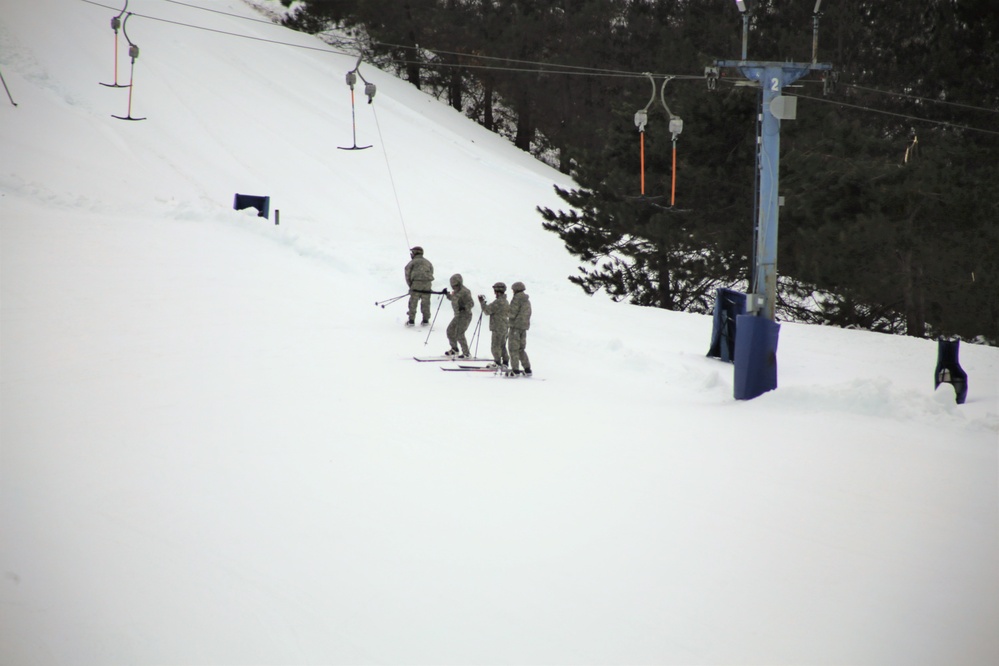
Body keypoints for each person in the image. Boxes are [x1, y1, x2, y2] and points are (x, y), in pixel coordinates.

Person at [477, 282, 510, 368]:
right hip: (504, 326)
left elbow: (487, 311)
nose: (494, 292)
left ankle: (497, 363)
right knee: (502, 345)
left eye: (495, 290)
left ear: (498, 291)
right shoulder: (505, 301)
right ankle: (505, 362)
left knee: (495, 346)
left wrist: (482, 303)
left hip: (498, 327)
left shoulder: (498, 302)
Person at [444, 273, 475, 358]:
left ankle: (466, 353)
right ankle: (454, 349)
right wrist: (447, 294)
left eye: (456, 285)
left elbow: (471, 303)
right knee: (450, 331)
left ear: (460, 283)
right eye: (453, 286)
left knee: (459, 333)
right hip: (458, 315)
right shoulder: (456, 292)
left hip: (465, 315)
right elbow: (453, 299)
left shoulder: (465, 292)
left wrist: (464, 307)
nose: (454, 287)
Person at [507, 281, 532, 376]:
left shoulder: (516, 299)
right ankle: (527, 368)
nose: (512, 291)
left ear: (516, 290)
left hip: (515, 327)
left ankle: (515, 370)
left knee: (513, 349)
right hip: (524, 327)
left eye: (513, 290)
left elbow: (512, 314)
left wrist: (506, 312)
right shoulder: (527, 300)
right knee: (521, 349)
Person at [404, 246, 434, 326]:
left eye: (412, 253)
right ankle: (425, 321)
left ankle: (411, 321)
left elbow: (407, 274)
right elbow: (431, 272)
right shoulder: (428, 262)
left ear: (415, 253)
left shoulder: (412, 262)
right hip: (427, 284)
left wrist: (411, 285)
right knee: (426, 303)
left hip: (416, 284)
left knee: (413, 302)